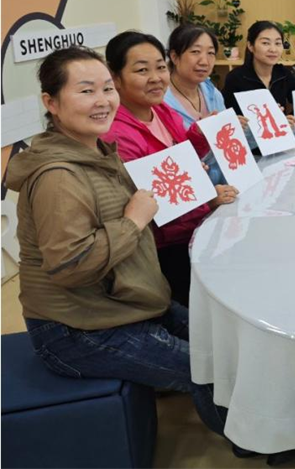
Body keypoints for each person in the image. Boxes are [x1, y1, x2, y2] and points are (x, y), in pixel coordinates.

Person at [6, 46, 229, 442]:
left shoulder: (99, 153)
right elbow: (72, 266)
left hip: (125, 304)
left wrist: (198, 192)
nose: (103, 101)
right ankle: (247, 439)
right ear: (51, 103)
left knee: (225, 340)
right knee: (208, 367)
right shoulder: (59, 177)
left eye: (107, 89)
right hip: (79, 329)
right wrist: (133, 220)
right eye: (86, 91)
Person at [102, 31, 237, 306]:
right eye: (142, 70)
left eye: (160, 68)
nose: (156, 78)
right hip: (164, 244)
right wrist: (207, 199)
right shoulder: (115, 134)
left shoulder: (163, 111)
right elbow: (152, 199)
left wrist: (199, 135)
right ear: (115, 78)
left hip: (194, 224)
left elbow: (184, 158)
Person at [163, 24, 240, 185]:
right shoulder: (161, 102)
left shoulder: (212, 92)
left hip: (226, 182)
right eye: (195, 52)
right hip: (191, 188)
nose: (204, 61)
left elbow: (226, 146)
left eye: (210, 53)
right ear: (175, 57)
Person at [222, 20, 295, 123]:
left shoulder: (283, 73)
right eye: (265, 43)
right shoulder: (236, 78)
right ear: (250, 46)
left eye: (278, 43)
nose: (273, 49)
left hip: (280, 131)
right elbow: (226, 116)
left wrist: (289, 119)